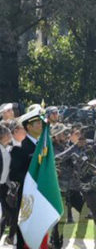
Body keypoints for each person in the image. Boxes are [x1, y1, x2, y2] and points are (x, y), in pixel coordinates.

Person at [10, 106, 44, 249]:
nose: (41, 125)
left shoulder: (42, 145)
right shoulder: (21, 146)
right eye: (38, 123)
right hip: (27, 196)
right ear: (29, 127)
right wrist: (31, 179)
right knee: (26, 235)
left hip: (41, 195)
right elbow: (14, 173)